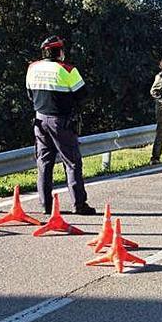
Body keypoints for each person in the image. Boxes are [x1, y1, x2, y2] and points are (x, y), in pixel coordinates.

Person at [25, 36, 96, 215]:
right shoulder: (68, 70)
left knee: (44, 163)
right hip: (61, 122)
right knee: (72, 162)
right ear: (59, 52)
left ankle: (46, 206)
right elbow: (83, 95)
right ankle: (79, 205)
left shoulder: (32, 68)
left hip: (39, 120)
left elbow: (29, 94)